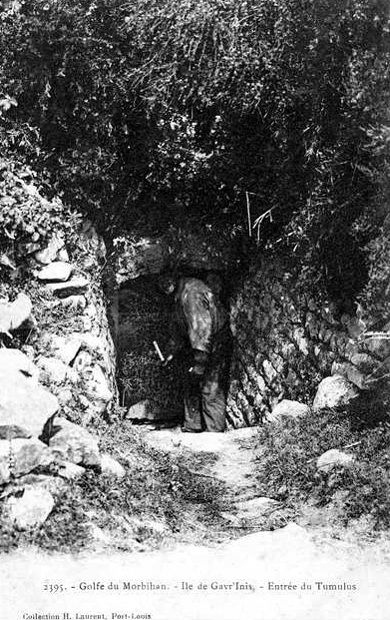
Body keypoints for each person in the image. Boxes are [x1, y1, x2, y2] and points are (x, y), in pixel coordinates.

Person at [164, 274, 231, 433]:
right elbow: (180, 328)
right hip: (197, 344)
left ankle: (214, 433)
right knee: (190, 381)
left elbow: (201, 329)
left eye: (165, 278)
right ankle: (193, 426)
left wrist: (200, 361)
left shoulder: (191, 292)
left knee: (211, 387)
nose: (163, 284)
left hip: (214, 341)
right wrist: (171, 353)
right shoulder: (178, 296)